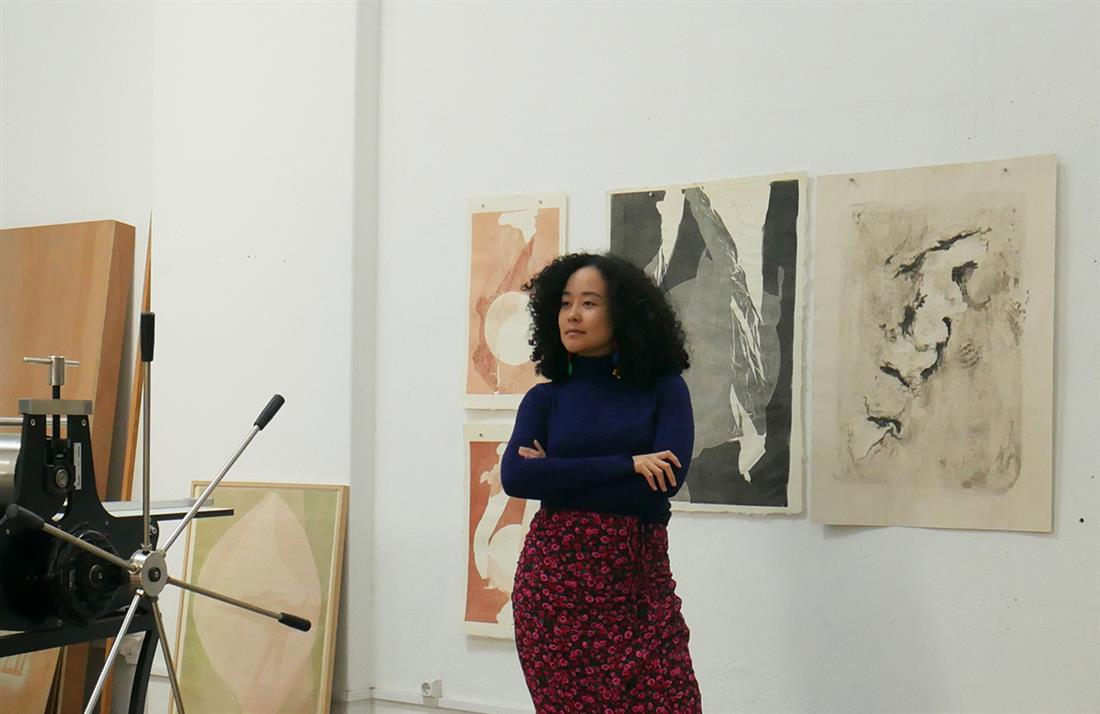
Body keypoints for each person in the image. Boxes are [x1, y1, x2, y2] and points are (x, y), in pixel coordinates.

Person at [502, 252, 701, 713]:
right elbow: (516, 476)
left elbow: (663, 483)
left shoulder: (664, 389)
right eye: (565, 302)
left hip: (641, 592)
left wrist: (557, 473)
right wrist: (627, 464)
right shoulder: (545, 399)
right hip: (553, 595)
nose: (572, 314)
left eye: (589, 303)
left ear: (622, 314)